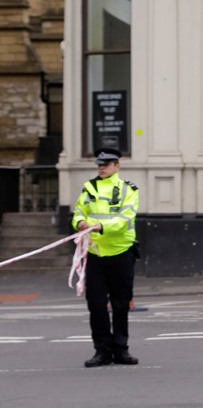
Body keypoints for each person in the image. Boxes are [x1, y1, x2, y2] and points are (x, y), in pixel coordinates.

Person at [71, 147, 141, 368]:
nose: (102, 167)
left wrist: (101, 226)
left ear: (117, 166)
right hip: (95, 254)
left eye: (107, 164)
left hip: (121, 252)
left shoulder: (128, 190)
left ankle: (121, 350)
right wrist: (80, 223)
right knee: (96, 304)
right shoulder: (89, 188)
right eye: (100, 164)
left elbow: (125, 218)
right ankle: (102, 351)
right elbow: (79, 211)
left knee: (121, 305)